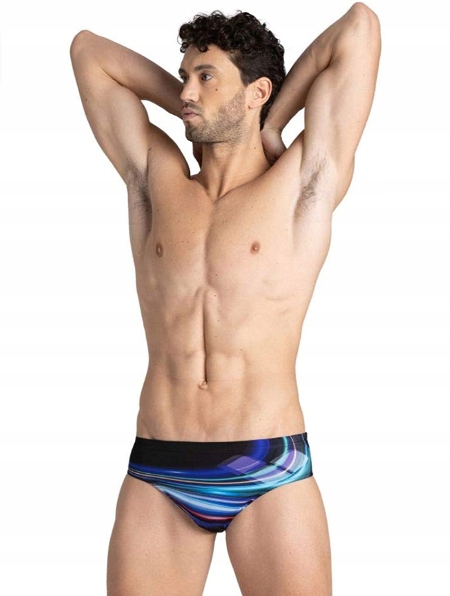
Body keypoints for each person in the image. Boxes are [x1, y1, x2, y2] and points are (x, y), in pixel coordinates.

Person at [70, 3, 381, 594]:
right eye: (184, 76)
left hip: (267, 466)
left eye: (205, 76)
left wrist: (269, 122)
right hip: (160, 467)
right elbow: (88, 51)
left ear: (257, 90)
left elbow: (359, 27)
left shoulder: (300, 181)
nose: (187, 91)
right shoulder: (156, 177)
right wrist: (199, 104)